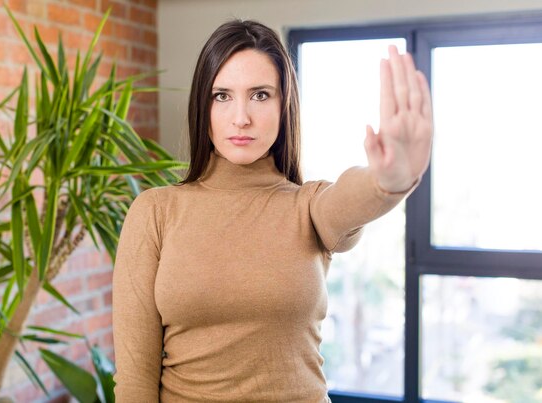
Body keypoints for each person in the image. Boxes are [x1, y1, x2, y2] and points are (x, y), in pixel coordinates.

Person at [112, 19, 432, 402]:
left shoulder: (308, 206)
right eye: (222, 96)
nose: (241, 117)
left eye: (260, 95)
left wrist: (388, 179)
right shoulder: (156, 212)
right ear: (203, 105)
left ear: (284, 106)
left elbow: (349, 199)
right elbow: (135, 379)